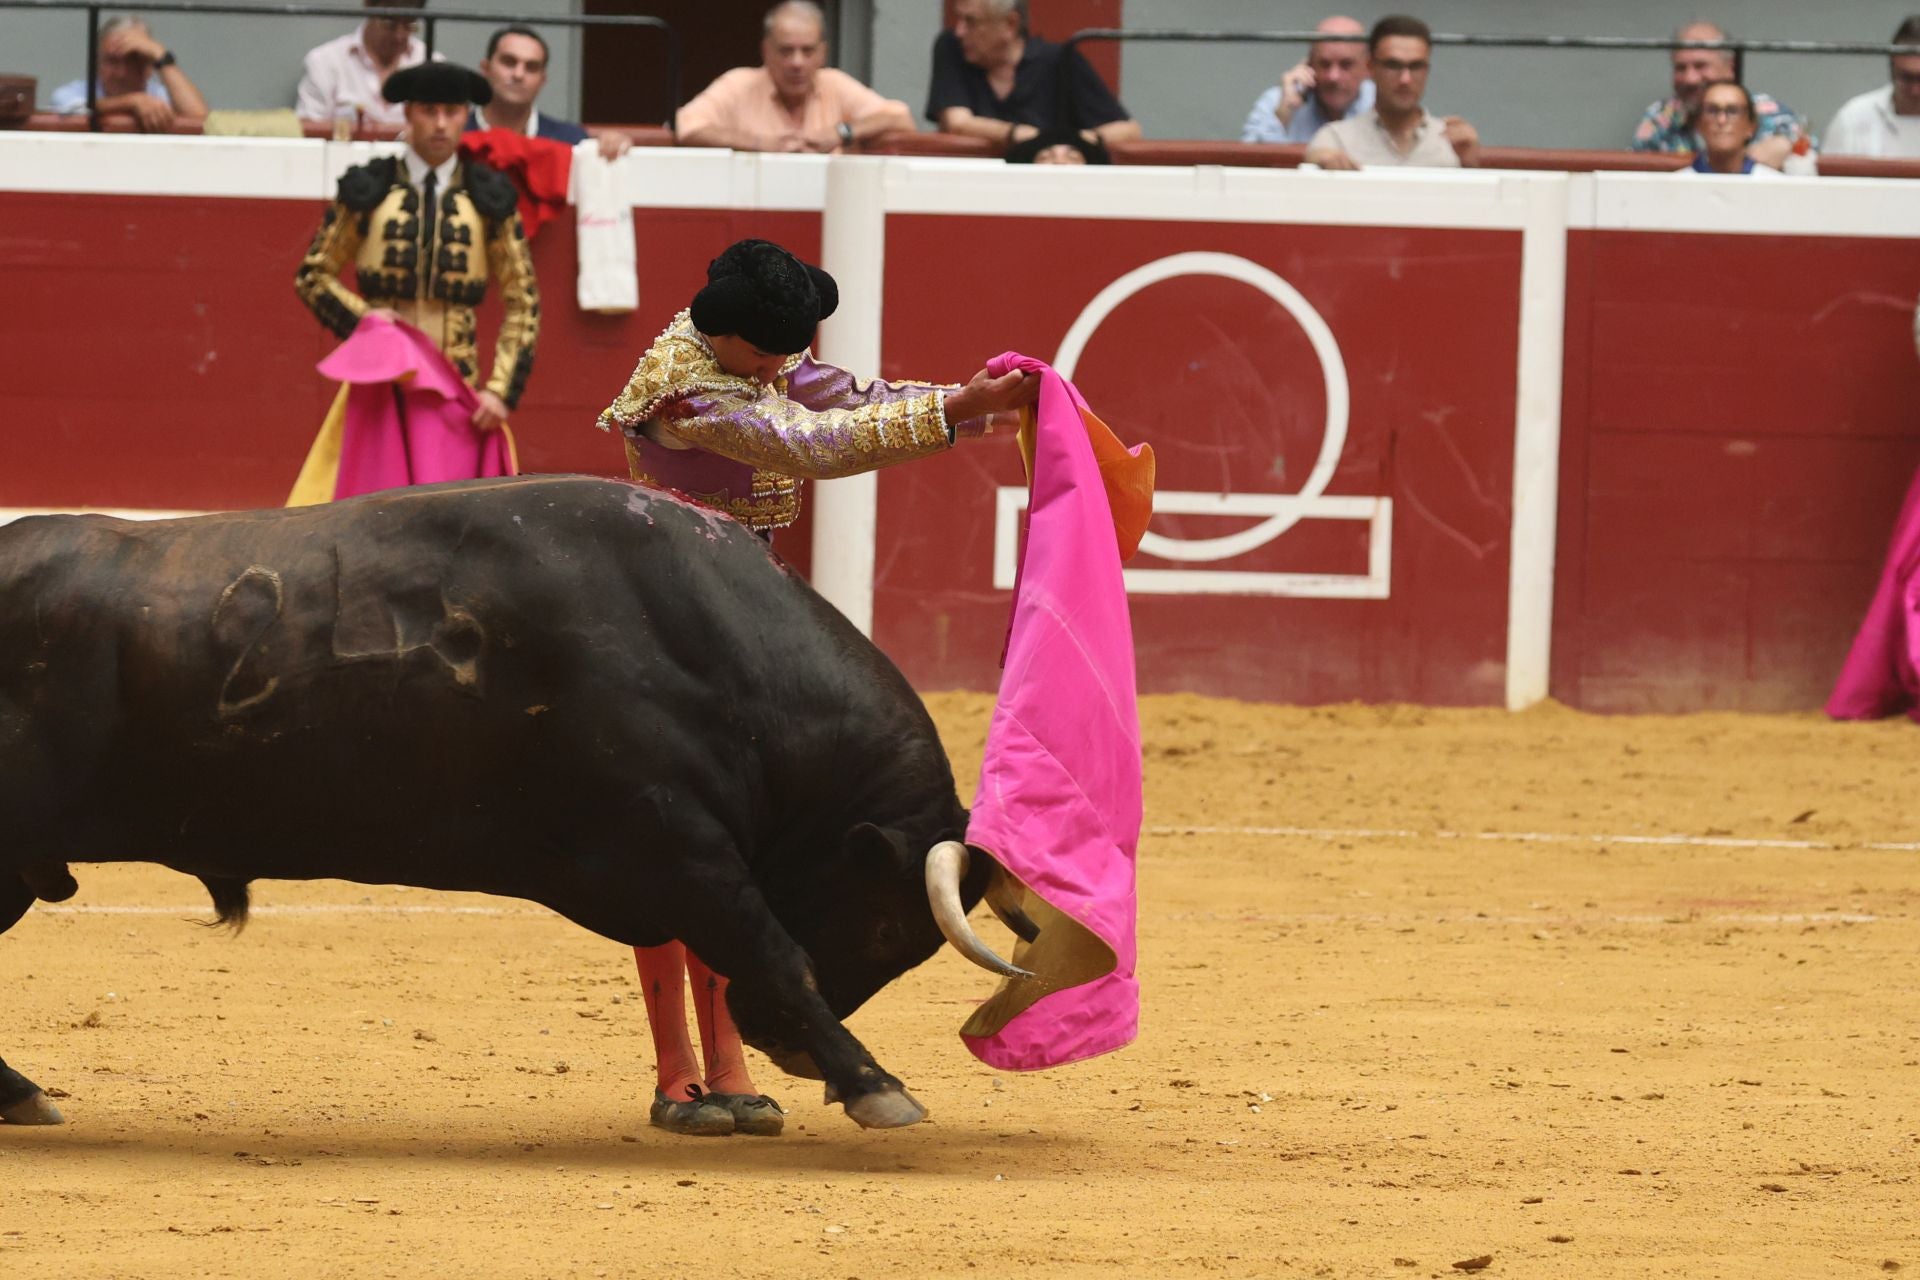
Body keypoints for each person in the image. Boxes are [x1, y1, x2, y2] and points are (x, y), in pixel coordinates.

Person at [595, 239, 1035, 1134]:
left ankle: (728, 1060)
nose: (778, 368)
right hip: (666, 621)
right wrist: (956, 411)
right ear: (722, 337)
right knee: (675, 840)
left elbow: (846, 398)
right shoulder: (686, 392)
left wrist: (970, 404)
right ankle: (679, 1067)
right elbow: (812, 442)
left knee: (749, 844)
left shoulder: (751, 350)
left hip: (745, 604)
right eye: (764, 357)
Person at [295, 62, 539, 433]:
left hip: (458, 386)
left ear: (465, 116)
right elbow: (312, 275)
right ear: (408, 113)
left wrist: (501, 391)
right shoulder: (370, 187)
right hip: (376, 379)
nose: (440, 124)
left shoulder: (489, 196)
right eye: (429, 111)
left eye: (451, 112)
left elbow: (523, 300)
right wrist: (365, 319)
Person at [675, 1, 912, 152]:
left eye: (807, 51)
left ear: (823, 53)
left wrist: (843, 132)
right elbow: (684, 125)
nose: (797, 63)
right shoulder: (739, 84)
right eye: (786, 51)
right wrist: (758, 144)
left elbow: (901, 118)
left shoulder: (834, 83)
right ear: (766, 51)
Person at [926, 0, 1141, 150]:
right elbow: (957, 123)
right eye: (959, 19)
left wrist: (1075, 142)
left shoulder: (1059, 60)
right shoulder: (951, 47)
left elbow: (1128, 130)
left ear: (1010, 24)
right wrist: (1018, 135)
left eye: (971, 22)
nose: (959, 31)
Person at [1304, 14, 1478, 170]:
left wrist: (1470, 164)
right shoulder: (1337, 139)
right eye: (1393, 66)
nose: (1405, 79)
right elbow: (1313, 159)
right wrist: (1321, 160)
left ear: (1426, 70)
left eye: (1416, 66)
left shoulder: (1454, 143)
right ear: (1370, 68)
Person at [1629, 21, 1804, 169]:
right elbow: (1631, 172)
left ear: (1730, 68)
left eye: (1700, 66)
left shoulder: (1765, 111)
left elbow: (1809, 146)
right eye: (1681, 68)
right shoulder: (1661, 117)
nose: (1690, 79)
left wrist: (1787, 145)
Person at [473, 24, 631, 161]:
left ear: (542, 80)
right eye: (509, 62)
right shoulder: (455, 132)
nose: (518, 74)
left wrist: (612, 147)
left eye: (531, 67)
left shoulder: (571, 140)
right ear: (485, 68)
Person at [49, 14, 207, 131]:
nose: (121, 73)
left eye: (133, 61)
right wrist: (133, 102)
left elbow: (200, 119)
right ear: (97, 63)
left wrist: (160, 54)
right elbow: (68, 110)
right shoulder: (75, 92)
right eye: (111, 61)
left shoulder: (161, 97)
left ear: (149, 67)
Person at [295, 0, 431, 129]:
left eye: (409, 25)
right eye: (389, 23)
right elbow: (308, 129)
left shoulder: (430, 64)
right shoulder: (325, 62)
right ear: (368, 6)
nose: (399, 36)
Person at [1239, 15, 1374, 145]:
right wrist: (1282, 114)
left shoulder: (1380, 103)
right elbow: (1247, 163)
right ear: (1309, 64)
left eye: (1346, 65)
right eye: (1324, 64)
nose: (1333, 77)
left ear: (1367, 67)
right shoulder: (1277, 102)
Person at [1822, 15, 1920, 158]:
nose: (1915, 90)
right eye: (1906, 77)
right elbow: (1826, 179)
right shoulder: (1853, 118)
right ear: (1891, 68)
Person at [1679, 80, 1783, 176]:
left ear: (1751, 126)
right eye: (1712, 110)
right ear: (1698, 124)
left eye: (1733, 111)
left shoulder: (1776, 185)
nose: (1721, 120)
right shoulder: (1675, 185)